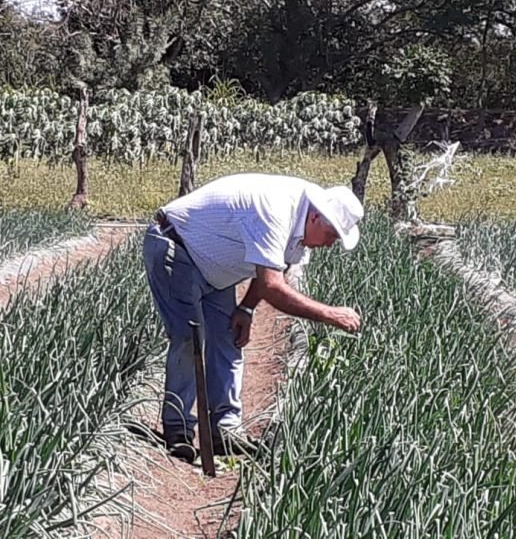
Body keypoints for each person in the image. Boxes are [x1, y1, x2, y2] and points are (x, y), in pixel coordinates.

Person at [142, 173, 364, 461]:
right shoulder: (275, 209)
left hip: (217, 269)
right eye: (332, 235)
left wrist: (246, 308)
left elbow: (275, 270)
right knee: (189, 337)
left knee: (228, 338)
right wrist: (329, 314)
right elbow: (273, 286)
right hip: (177, 246)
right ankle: (178, 429)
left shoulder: (301, 231)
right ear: (315, 218)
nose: (330, 244)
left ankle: (225, 430)